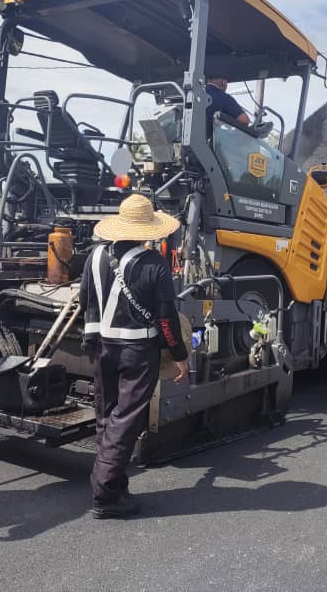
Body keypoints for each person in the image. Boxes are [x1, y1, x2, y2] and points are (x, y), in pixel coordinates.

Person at [79, 194, 190, 519]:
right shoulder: (153, 264)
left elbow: (86, 301)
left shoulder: (95, 256)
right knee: (126, 420)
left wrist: (91, 341)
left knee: (107, 417)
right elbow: (167, 318)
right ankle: (104, 492)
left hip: (102, 348)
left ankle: (116, 486)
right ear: (147, 229)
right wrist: (179, 355)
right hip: (137, 353)